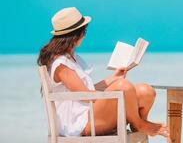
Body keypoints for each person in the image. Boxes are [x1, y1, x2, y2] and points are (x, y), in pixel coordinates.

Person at [37, 7, 169, 138]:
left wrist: (113, 78)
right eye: (84, 31)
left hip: (91, 114)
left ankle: (137, 123)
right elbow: (86, 96)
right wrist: (118, 88)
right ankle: (140, 124)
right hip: (81, 123)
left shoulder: (72, 58)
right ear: (75, 35)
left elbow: (87, 90)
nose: (84, 34)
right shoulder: (61, 64)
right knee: (123, 86)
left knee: (145, 91)